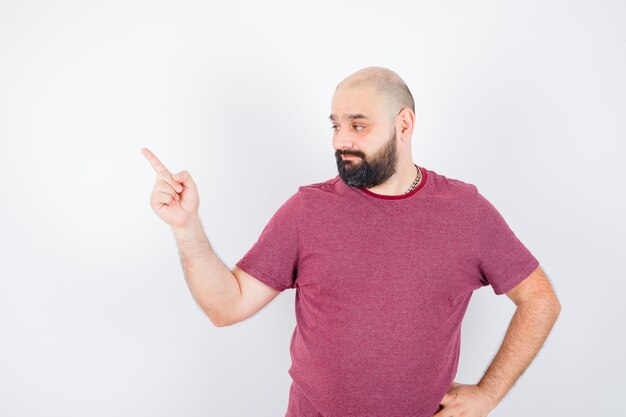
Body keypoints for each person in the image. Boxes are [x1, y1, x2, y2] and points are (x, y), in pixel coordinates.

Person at [141, 66, 561, 417]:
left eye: (358, 125)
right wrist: (186, 227)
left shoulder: (465, 211)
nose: (341, 140)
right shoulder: (308, 210)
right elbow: (226, 307)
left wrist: (489, 393)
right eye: (336, 125)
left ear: (404, 124)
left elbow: (540, 299)